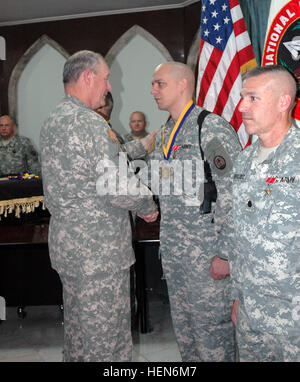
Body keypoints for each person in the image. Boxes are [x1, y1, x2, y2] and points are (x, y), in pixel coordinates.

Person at [39, 50, 158, 362]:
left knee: (78, 337)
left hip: (70, 248)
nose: (108, 87)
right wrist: (147, 203)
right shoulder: (89, 123)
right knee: (109, 343)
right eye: (106, 79)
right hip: (99, 253)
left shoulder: (53, 119)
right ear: (88, 77)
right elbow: (115, 184)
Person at [131, 61, 241, 361]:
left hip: (207, 256)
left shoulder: (211, 127)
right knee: (187, 337)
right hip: (176, 255)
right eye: (153, 84)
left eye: (160, 83)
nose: (153, 90)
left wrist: (225, 253)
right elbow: (160, 178)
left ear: (183, 85)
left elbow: (233, 190)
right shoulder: (165, 133)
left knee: (213, 338)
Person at [228, 65, 300, 362]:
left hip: (293, 317)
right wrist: (237, 295)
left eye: (253, 98)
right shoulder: (243, 161)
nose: (241, 106)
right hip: (251, 314)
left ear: (283, 102)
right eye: (243, 97)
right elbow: (237, 236)